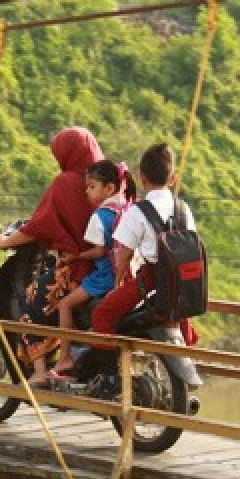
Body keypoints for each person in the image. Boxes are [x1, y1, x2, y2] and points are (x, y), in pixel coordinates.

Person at [0, 126, 104, 384]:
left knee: (33, 301)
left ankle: (41, 372)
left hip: (77, 269)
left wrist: (5, 241)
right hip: (110, 266)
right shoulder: (109, 180)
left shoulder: (66, 183)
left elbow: (38, 226)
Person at [91, 142, 198, 343]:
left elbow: (124, 255)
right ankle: (188, 348)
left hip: (151, 279)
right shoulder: (184, 209)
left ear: (142, 178)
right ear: (173, 179)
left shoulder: (138, 211)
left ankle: (112, 367)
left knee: (102, 315)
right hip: (181, 285)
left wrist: (116, 286)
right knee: (183, 326)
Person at [52, 160, 136, 378]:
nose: (87, 192)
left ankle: (64, 358)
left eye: (91, 187)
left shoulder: (98, 217)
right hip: (127, 276)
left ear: (109, 188)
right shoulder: (127, 209)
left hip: (104, 277)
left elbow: (99, 251)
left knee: (64, 305)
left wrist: (77, 256)